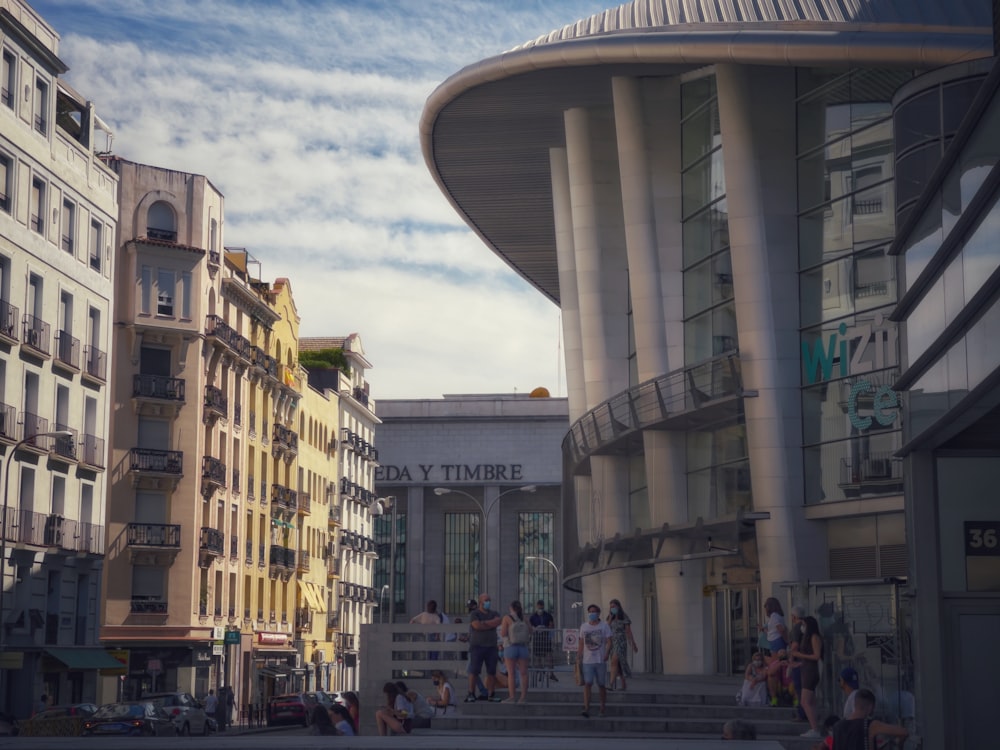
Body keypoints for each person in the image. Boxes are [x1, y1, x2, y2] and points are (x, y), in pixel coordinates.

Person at [825, 689, 909, 749]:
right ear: (870, 707)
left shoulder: (837, 726)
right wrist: (899, 744)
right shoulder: (872, 726)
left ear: (855, 704)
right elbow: (903, 732)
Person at [465, 592, 503, 703]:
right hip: (477, 646)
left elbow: (498, 621)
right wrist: (489, 624)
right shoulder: (474, 614)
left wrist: (484, 624)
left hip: (491, 647)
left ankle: (491, 694)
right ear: (481, 602)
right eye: (486, 600)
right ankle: (471, 693)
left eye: (489, 600)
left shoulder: (494, 613)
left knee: (491, 672)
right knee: (474, 671)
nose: (488, 602)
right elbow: (476, 625)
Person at [791, 615, 823, 739]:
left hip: (811, 671)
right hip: (806, 669)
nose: (802, 627)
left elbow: (816, 656)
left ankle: (815, 729)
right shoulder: (807, 637)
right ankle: (815, 727)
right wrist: (798, 662)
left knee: (804, 701)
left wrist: (799, 654)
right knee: (811, 701)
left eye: (803, 624)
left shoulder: (814, 637)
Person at [577, 603, 611, 718]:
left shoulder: (604, 626)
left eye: (594, 612)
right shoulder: (584, 626)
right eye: (590, 612)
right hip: (587, 660)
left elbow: (609, 641)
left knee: (601, 684)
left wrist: (607, 653)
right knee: (588, 683)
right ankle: (586, 707)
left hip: (600, 659)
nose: (592, 614)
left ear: (598, 613)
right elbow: (581, 642)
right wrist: (579, 655)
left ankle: (602, 708)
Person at [500, 599, 531, 703]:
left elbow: (503, 633)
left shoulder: (507, 618)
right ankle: (523, 697)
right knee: (524, 673)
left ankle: (512, 697)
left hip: (510, 647)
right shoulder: (525, 618)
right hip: (523, 648)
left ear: (511, 608)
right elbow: (531, 630)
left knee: (511, 673)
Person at [606, 598, 638, 691]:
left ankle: (611, 684)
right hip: (612, 641)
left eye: (614, 606)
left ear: (618, 607)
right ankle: (623, 683)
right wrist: (610, 618)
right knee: (617, 663)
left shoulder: (624, 616)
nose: (612, 608)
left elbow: (628, 631)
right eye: (611, 607)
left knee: (614, 661)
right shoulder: (609, 617)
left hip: (621, 641)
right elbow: (606, 629)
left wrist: (633, 643)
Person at [530, 600, 558, 681]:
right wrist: (535, 629)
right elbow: (530, 626)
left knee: (549, 656)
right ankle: (540, 673)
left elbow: (552, 626)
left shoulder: (548, 615)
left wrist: (550, 634)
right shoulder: (533, 616)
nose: (540, 609)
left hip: (546, 639)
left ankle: (551, 673)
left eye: (541, 607)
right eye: (539, 607)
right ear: (536, 607)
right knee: (538, 657)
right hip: (537, 639)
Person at [787, 605, 807, 721]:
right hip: (807, 662)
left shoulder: (796, 628)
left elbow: (794, 646)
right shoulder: (806, 626)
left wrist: (791, 661)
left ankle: (801, 713)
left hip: (798, 662)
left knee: (799, 689)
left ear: (794, 616)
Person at [761, 598, 787, 662]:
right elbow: (774, 631)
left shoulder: (774, 616)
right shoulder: (776, 616)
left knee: (776, 661)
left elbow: (780, 629)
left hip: (776, 641)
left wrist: (787, 640)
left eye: (767, 606)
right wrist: (764, 630)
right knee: (777, 660)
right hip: (775, 641)